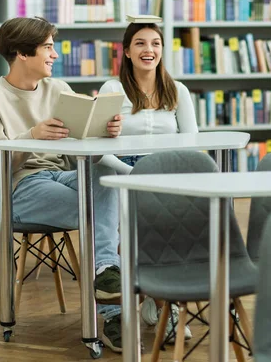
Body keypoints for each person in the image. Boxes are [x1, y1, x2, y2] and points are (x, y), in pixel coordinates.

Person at [0, 17, 125, 353]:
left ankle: (106, 273)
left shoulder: (59, 89)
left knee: (111, 180)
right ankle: (114, 310)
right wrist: (31, 137)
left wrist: (104, 130)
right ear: (22, 53)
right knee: (105, 210)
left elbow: (83, 146)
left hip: (63, 175)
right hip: (20, 187)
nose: (55, 55)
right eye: (48, 48)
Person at [98, 21, 199, 343]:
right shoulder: (113, 89)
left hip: (166, 173)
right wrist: (134, 176)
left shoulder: (177, 90)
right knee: (131, 233)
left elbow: (191, 144)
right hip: (120, 172)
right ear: (127, 51)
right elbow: (98, 148)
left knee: (175, 233)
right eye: (140, 43)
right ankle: (118, 312)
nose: (149, 50)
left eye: (155, 43)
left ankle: (162, 303)